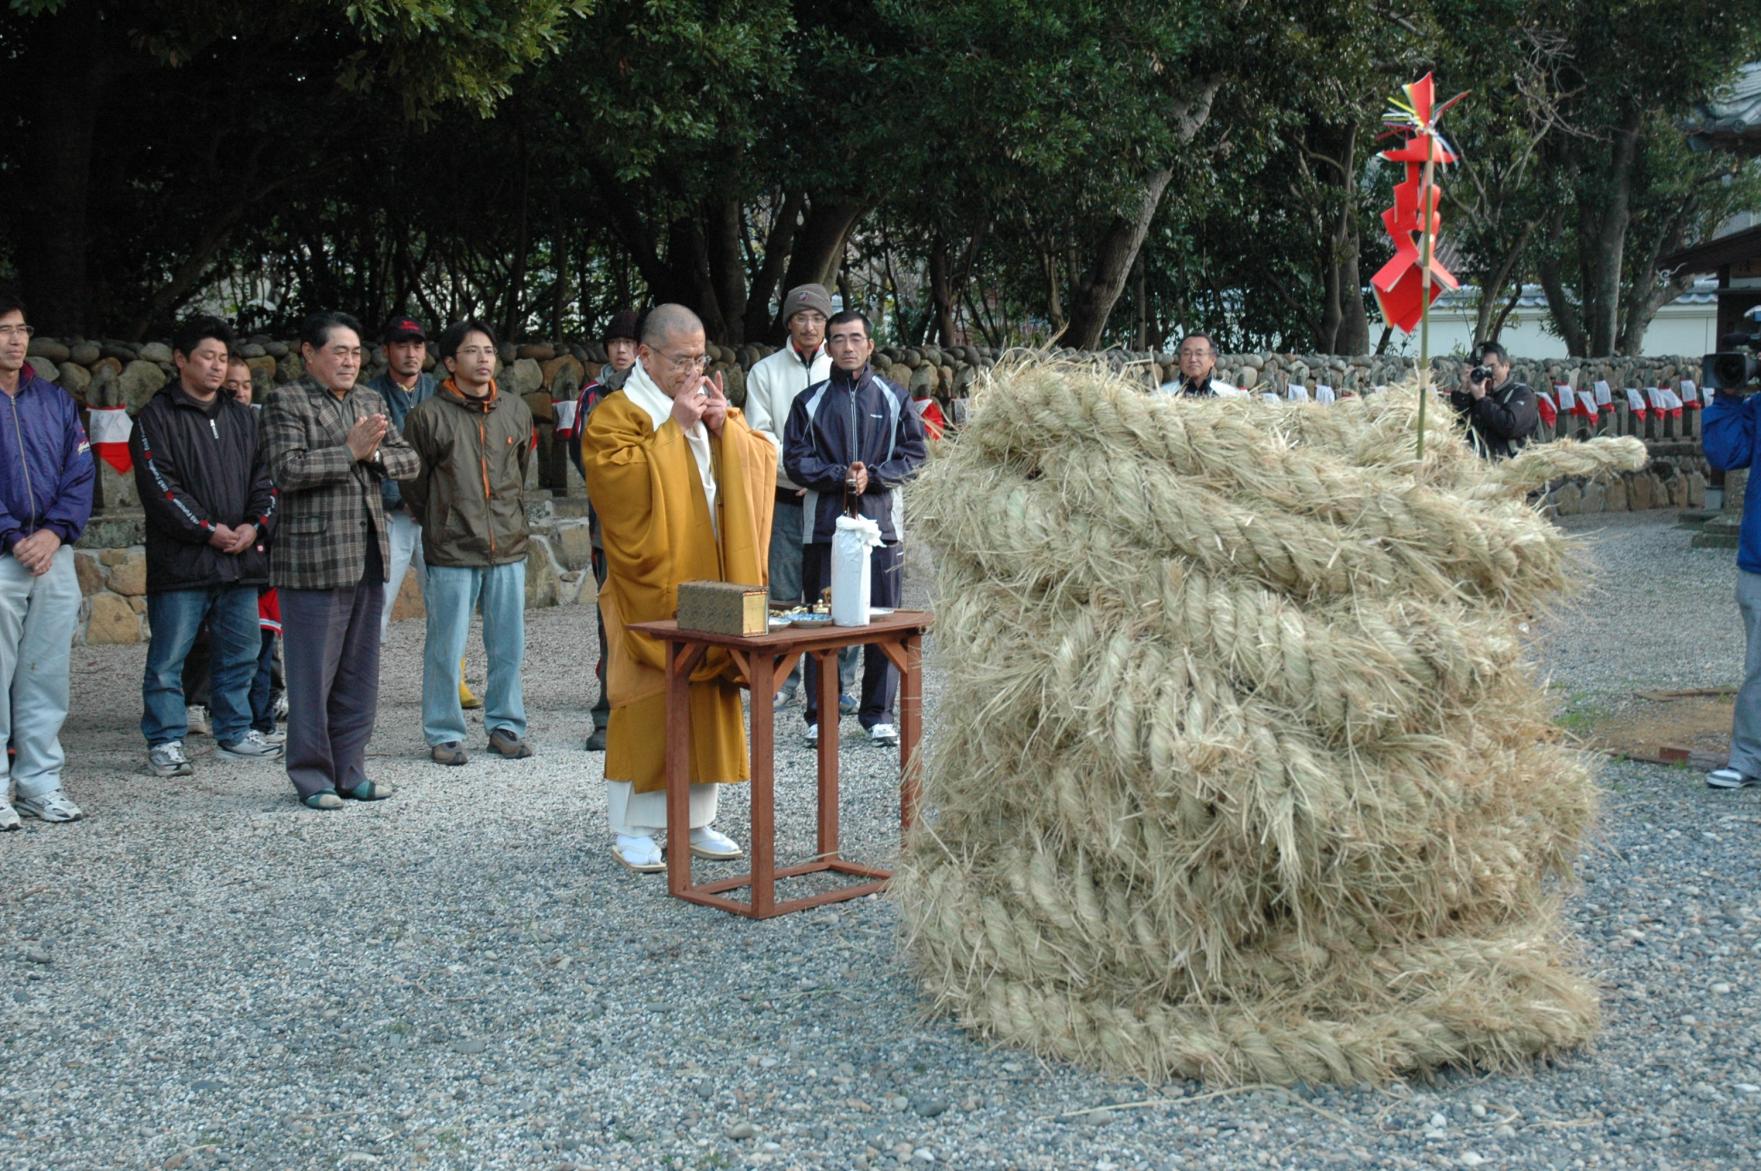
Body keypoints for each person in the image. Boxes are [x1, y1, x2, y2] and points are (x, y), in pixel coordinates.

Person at [581, 303, 777, 873]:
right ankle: (633, 828)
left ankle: (695, 820)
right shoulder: (618, 413)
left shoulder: (700, 402)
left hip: (708, 572)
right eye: (681, 360)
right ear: (645, 355)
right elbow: (617, 485)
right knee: (646, 694)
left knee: (706, 684)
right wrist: (677, 430)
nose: (693, 370)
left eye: (701, 358)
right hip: (651, 583)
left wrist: (725, 430)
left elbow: (759, 458)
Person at [263, 311, 418, 810]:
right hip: (312, 558)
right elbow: (287, 470)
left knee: (358, 672)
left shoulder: (370, 401)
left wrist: (371, 456)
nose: (350, 361)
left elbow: (408, 461)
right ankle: (312, 776)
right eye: (339, 352)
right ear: (309, 353)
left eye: (355, 353)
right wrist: (351, 451)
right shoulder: (286, 401)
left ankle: (351, 769)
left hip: (368, 553)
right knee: (313, 675)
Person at [131, 316, 281, 777]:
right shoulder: (155, 418)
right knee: (169, 659)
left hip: (239, 561)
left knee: (240, 651)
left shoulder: (243, 419)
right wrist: (208, 528)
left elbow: (267, 477)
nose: (216, 368)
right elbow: (160, 488)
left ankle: (234, 732)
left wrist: (255, 526)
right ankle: (166, 739)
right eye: (206, 357)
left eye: (222, 358)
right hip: (184, 563)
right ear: (181, 360)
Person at [783, 309, 928, 748]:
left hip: (882, 526)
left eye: (855, 338)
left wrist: (875, 476)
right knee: (823, 622)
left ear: (869, 345)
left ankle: (877, 714)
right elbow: (795, 459)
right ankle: (819, 714)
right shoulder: (808, 402)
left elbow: (915, 455)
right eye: (838, 340)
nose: (847, 347)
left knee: (882, 622)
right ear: (826, 348)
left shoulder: (893, 397)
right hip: (824, 529)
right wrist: (838, 476)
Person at [402, 320, 535, 766]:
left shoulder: (515, 410)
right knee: (446, 645)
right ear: (450, 362)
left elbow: (521, 468)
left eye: (489, 351)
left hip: (508, 546)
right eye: (472, 351)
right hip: (452, 548)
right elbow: (414, 485)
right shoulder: (426, 417)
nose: (483, 359)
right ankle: (443, 731)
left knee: (508, 646)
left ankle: (506, 725)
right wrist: (441, 521)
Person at [0, 293, 93, 828]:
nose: (16, 339)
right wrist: (13, 536)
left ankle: (39, 781)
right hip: (6, 553)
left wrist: (54, 533)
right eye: (5, 329)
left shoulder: (55, 401)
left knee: (45, 673)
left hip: (52, 553)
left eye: (22, 328)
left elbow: (80, 475)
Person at [743, 283, 856, 711]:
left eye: (818, 319)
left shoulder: (842, 368)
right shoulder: (765, 372)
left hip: (833, 499)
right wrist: (799, 472)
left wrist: (824, 477)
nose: (809, 326)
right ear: (788, 321)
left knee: (839, 589)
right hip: (786, 494)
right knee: (785, 591)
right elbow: (759, 434)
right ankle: (784, 678)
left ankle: (839, 682)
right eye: (801, 318)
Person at [365, 316, 480, 710]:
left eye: (417, 345)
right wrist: (406, 498)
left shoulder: (440, 392)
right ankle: (362, 683)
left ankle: (455, 678)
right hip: (392, 515)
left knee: (448, 601)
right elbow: (372, 458)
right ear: (387, 351)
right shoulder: (371, 396)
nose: (410, 353)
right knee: (377, 600)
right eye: (402, 345)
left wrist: (430, 501)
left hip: (437, 516)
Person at [567, 308, 641, 751]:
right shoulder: (594, 393)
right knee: (610, 616)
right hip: (607, 526)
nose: (620, 351)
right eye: (615, 343)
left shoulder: (656, 391)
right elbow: (583, 453)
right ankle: (607, 712)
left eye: (629, 344)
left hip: (656, 522)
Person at [1702, 379, 1761, 791]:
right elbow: (1726, 453)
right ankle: (1748, 757)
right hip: (1759, 559)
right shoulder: (1755, 407)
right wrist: (1727, 398)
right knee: (1759, 668)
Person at [1449, 341, 1538, 459]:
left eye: (1491, 367)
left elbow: (1510, 426)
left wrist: (1482, 400)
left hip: (1511, 470)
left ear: (1506, 366)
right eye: (1481, 368)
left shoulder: (1522, 394)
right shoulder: (1475, 396)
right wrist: (1464, 391)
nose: (1487, 374)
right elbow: (1457, 428)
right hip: (1478, 470)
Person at [1161, 334, 1246, 398]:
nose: (1193, 359)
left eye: (1199, 354)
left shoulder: (1229, 395)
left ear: (1212, 360)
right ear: (1179, 359)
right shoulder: (1162, 395)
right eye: (1187, 354)